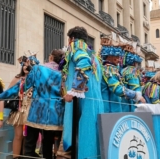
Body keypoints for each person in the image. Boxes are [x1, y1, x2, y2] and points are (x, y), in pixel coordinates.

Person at [0, 50, 65, 159]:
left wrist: (0, 96)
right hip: (55, 114)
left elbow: (21, 87)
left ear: (51, 57)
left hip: (37, 112)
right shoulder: (63, 74)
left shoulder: (37, 69)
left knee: (30, 145)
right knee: (48, 146)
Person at [59, 26, 104, 159]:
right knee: (91, 138)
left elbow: (83, 63)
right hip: (95, 103)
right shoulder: (94, 56)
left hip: (83, 103)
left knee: (82, 137)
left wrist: (73, 91)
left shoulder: (76, 47)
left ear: (72, 39)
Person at [100, 45, 145, 113]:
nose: (119, 60)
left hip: (115, 106)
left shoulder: (117, 69)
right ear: (110, 56)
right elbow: (116, 88)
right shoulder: (109, 69)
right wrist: (136, 95)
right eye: (117, 57)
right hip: (111, 109)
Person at [4, 56, 31, 159]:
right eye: (24, 65)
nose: (25, 67)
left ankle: (25, 156)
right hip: (19, 110)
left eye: (28, 65)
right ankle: (16, 157)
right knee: (18, 135)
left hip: (31, 111)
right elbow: (8, 92)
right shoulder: (17, 78)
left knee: (27, 137)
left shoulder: (35, 79)